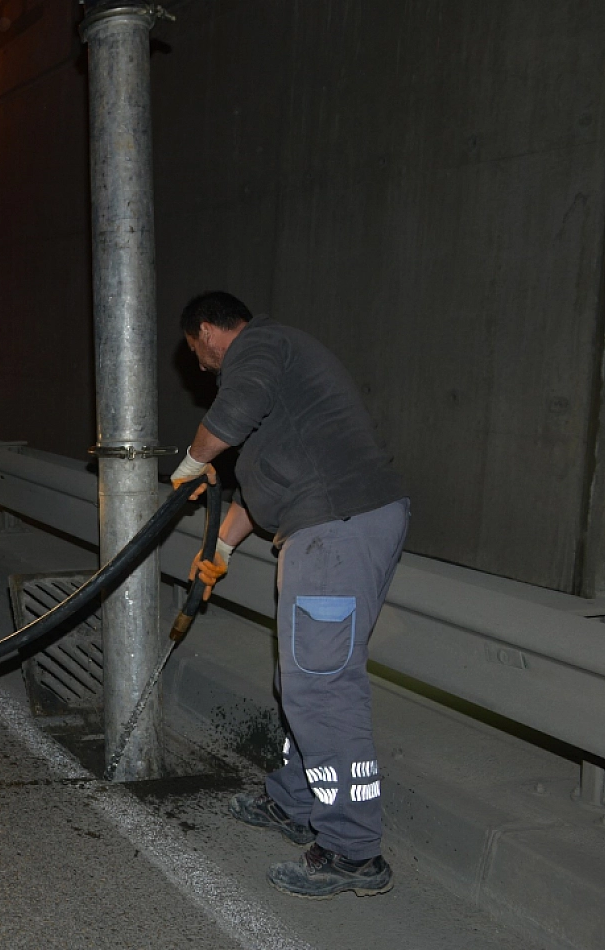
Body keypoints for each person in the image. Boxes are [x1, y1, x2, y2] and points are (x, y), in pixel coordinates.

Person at [169, 291, 408, 899]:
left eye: (197, 354)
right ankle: (295, 800)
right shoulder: (286, 387)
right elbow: (259, 496)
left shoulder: (261, 346)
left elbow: (232, 412)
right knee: (303, 679)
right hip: (332, 524)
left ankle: (353, 851)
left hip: (334, 528)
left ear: (207, 331)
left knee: (322, 685)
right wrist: (218, 551)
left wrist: (192, 462)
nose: (200, 367)